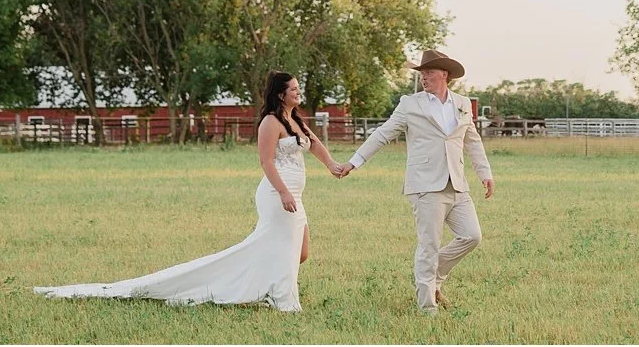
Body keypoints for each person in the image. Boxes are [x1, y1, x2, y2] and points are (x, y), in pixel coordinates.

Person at [34, 72, 345, 311]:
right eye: (294, 88)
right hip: (278, 194)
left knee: (300, 252)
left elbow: (314, 144)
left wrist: (332, 165)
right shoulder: (270, 122)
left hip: (296, 196)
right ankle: (281, 300)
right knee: (286, 249)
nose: (298, 91)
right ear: (281, 94)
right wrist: (283, 193)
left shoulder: (296, 121)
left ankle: (257, 284)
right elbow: (265, 161)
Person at [336, 49, 495, 315]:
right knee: (428, 245)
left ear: (444, 74)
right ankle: (427, 308)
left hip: (457, 184)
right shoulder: (410, 104)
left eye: (429, 72)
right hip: (425, 186)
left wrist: (485, 173)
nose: (424, 77)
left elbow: (472, 141)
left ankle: (434, 280)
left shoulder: (463, 103)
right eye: (421, 72)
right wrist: (354, 161)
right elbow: (383, 134)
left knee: (472, 236)